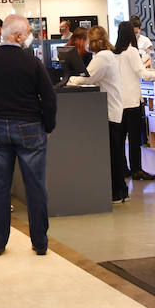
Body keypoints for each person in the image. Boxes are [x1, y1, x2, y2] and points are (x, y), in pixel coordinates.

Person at [0, 14, 57, 256]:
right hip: (30, 128)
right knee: (35, 186)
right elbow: (49, 99)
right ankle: (39, 242)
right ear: (17, 36)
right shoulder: (32, 63)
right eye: (28, 32)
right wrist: (48, 127)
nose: (29, 36)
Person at [67, 25, 129, 203]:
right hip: (111, 110)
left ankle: (118, 191)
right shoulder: (104, 56)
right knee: (115, 153)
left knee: (114, 154)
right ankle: (120, 190)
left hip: (110, 112)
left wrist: (70, 80)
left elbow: (87, 78)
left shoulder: (102, 58)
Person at [115, 20, 155, 182]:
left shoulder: (115, 53)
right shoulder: (132, 51)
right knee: (135, 139)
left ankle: (124, 168)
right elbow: (144, 74)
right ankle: (137, 169)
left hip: (119, 103)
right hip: (133, 102)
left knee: (120, 139)